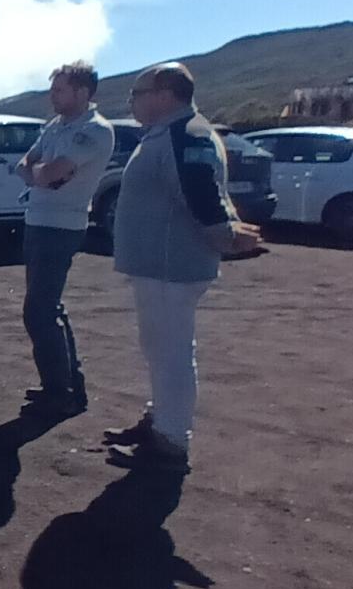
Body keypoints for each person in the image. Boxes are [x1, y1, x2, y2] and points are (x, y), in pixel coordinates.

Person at [106, 62, 260, 474]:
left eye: (136, 94)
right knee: (160, 350)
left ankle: (171, 440)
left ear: (163, 94)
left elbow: (201, 194)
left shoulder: (185, 135)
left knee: (171, 354)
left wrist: (226, 234)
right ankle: (161, 420)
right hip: (159, 265)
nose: (132, 102)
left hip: (171, 265)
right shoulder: (170, 133)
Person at [12, 62, 115, 417]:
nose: (52, 96)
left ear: (82, 92)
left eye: (59, 90)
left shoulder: (94, 131)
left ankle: (60, 393)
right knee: (49, 307)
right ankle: (67, 385)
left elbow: (49, 172)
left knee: (38, 311)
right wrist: (40, 174)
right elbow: (27, 165)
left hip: (61, 227)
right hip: (38, 220)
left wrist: (41, 173)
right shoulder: (56, 126)